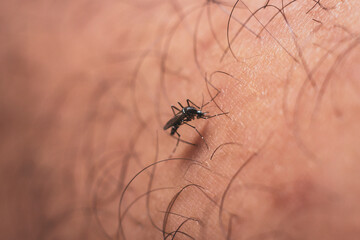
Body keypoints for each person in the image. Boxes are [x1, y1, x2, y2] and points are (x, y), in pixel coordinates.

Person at [1, 0, 359, 239]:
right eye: (195, 114)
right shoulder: (185, 118)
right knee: (181, 123)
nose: (196, 116)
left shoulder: (191, 112)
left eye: (194, 114)